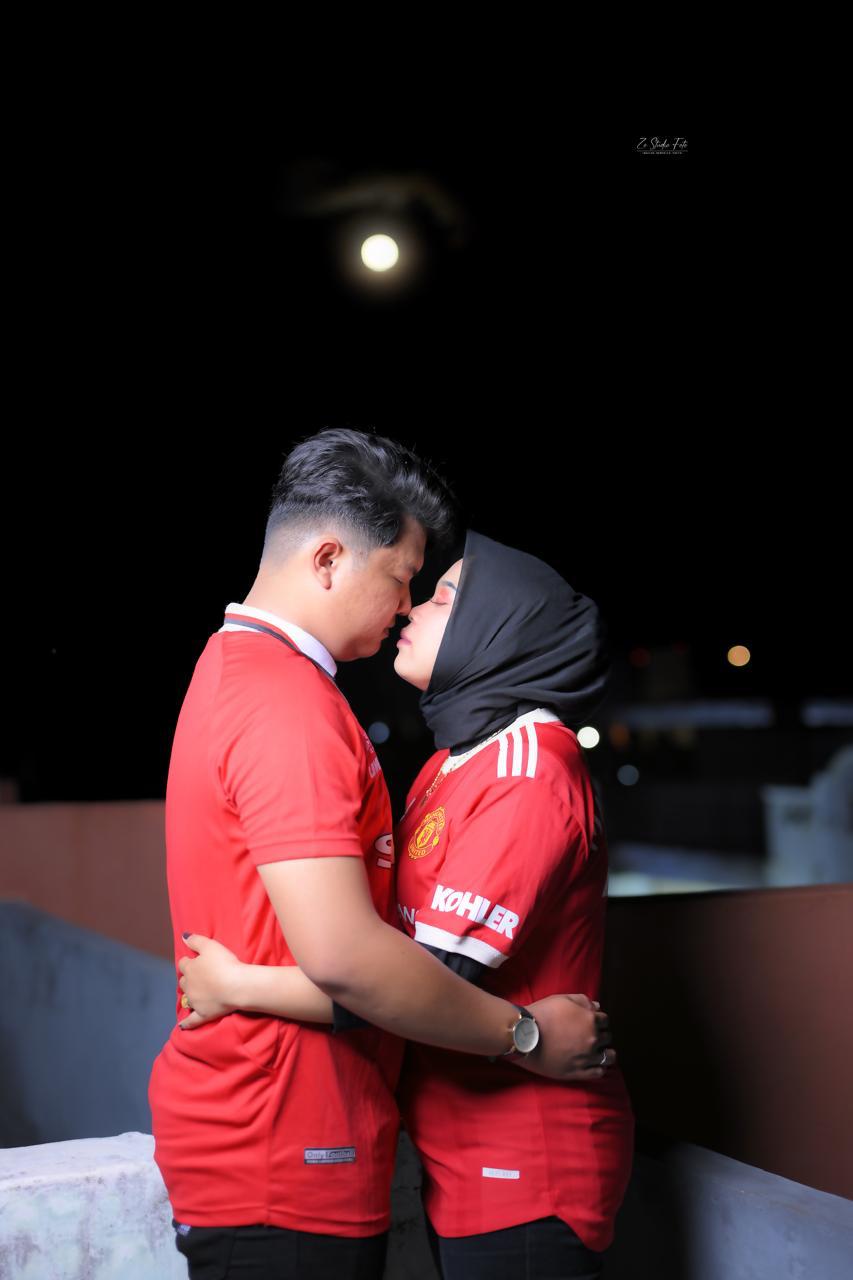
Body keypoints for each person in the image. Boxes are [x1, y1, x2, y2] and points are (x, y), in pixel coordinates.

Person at [148, 430, 615, 1280]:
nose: (406, 603)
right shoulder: (288, 703)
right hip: (281, 1141)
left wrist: (242, 984)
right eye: (402, 577)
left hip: (340, 1142)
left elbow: (409, 959)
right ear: (329, 559)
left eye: (434, 592)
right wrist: (522, 1034)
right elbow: (356, 961)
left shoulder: (250, 675)